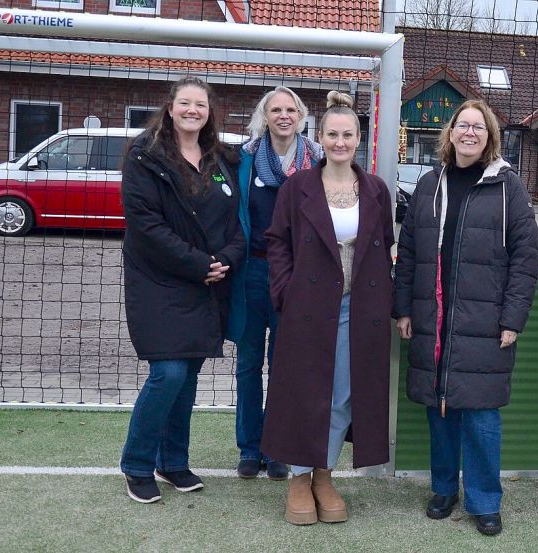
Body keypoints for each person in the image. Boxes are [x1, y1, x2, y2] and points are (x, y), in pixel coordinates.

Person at [393, 99, 538, 536]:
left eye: (479, 127)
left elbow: (525, 258)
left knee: (480, 415)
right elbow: (410, 253)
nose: (470, 133)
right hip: (432, 315)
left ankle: (484, 500)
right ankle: (443, 489)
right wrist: (403, 307)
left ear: (489, 137)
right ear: (451, 132)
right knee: (440, 408)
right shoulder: (428, 184)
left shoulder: (507, 187)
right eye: (463, 125)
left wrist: (512, 318)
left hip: (486, 320)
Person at [259, 91, 394, 526]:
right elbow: (276, 241)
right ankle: (299, 477)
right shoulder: (298, 187)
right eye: (332, 134)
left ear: (359, 139)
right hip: (308, 306)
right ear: (320, 137)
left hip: (361, 307)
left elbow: (385, 246)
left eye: (348, 135)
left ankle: (324, 472)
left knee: (344, 394)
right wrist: (285, 289)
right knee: (306, 390)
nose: (340, 142)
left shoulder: (375, 189)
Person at [119, 76, 243, 503]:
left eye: (201, 105)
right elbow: (146, 226)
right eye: (185, 103)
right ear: (170, 107)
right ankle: (137, 464)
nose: (193, 110)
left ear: (209, 113)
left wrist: (227, 258)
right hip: (159, 279)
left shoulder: (221, 158)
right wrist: (198, 264)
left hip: (206, 281)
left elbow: (234, 223)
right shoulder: (144, 156)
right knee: (168, 372)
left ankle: (172, 461)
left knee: (188, 375)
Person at [226, 86, 322, 481]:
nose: (283, 116)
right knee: (248, 364)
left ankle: (277, 447)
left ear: (300, 116)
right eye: (275, 110)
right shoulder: (243, 159)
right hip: (252, 272)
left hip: (295, 276)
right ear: (264, 116)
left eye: (290, 109)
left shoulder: (316, 159)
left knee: (284, 366)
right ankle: (250, 448)